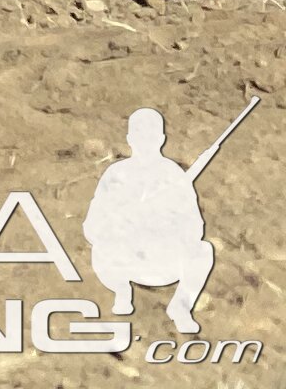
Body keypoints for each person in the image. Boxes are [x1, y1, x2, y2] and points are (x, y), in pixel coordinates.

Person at [83, 107, 221, 337]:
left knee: (203, 251)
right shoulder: (116, 174)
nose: (145, 142)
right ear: (129, 140)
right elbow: (92, 226)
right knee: (102, 248)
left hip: (160, 258)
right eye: (139, 136)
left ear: (161, 139)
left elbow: (195, 228)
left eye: (151, 136)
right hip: (123, 258)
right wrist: (120, 222)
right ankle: (121, 291)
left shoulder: (174, 175)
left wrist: (166, 220)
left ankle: (181, 306)